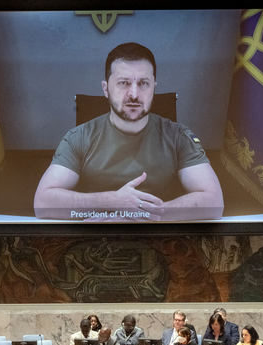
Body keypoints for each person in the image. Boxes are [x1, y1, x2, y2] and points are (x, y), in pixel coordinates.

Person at [34, 42, 224, 222]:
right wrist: (113, 201)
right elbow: (43, 202)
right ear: (106, 89)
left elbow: (214, 203)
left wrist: (151, 215)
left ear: (154, 89)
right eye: (124, 83)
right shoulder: (79, 137)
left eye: (143, 83)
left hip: (160, 237)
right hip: (95, 239)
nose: (134, 94)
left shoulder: (178, 136)